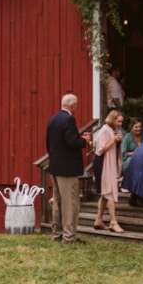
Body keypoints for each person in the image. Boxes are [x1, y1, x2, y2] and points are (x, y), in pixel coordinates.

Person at [46, 93, 92, 244]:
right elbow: (71, 142)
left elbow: (48, 143)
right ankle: (69, 236)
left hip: (55, 165)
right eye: (76, 105)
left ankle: (57, 233)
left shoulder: (52, 119)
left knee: (58, 202)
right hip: (68, 168)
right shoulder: (69, 119)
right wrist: (84, 141)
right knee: (70, 203)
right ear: (72, 105)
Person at [93, 110, 126, 233]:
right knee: (111, 191)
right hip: (103, 163)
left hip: (111, 163)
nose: (120, 124)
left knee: (105, 194)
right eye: (119, 121)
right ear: (112, 119)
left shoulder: (114, 130)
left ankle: (99, 220)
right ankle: (113, 222)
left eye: (121, 121)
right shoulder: (105, 130)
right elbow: (101, 150)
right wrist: (114, 140)